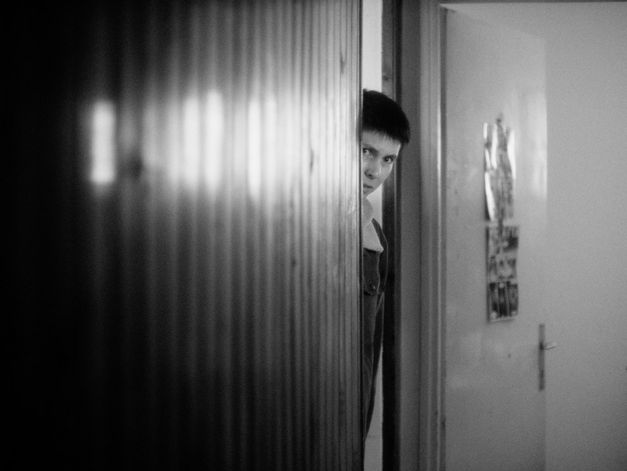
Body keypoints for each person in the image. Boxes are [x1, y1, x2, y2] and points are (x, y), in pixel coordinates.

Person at [361, 90, 410, 441]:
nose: (374, 171)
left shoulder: (376, 236)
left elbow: (370, 348)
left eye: (388, 160)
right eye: (367, 151)